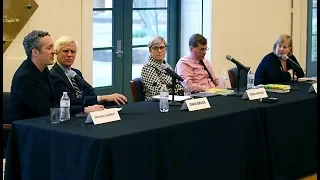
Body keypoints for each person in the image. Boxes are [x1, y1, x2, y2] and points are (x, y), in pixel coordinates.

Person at [50, 36, 127, 114]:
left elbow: (90, 94)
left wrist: (108, 98)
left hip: (88, 111)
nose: (69, 55)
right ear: (57, 52)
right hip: (72, 116)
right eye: (65, 51)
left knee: (118, 104)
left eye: (73, 52)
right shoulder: (54, 75)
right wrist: (104, 98)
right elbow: (73, 100)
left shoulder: (76, 73)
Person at [9, 30, 57, 122]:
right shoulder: (24, 78)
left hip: (44, 123)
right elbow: (45, 109)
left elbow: (54, 101)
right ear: (35, 52)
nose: (54, 51)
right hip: (27, 130)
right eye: (49, 48)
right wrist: (79, 109)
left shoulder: (44, 69)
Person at [141, 36, 184, 101]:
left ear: (165, 49)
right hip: (155, 103)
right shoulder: (148, 67)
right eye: (155, 48)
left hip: (172, 100)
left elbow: (178, 85)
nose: (159, 51)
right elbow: (156, 91)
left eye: (162, 47)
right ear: (150, 50)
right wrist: (174, 90)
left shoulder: (166, 66)